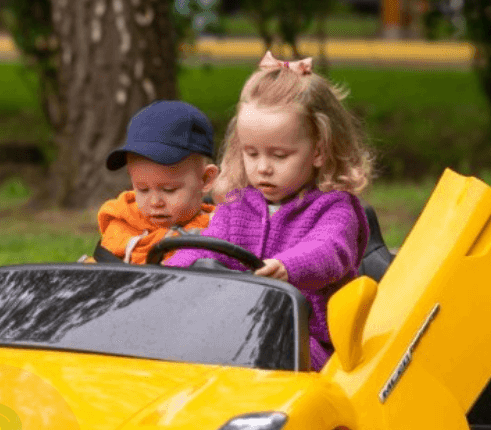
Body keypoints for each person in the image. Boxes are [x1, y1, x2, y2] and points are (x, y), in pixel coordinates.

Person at [166, 53, 373, 370]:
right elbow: (206, 247)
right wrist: (167, 275)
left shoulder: (334, 207)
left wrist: (288, 266)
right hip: (239, 328)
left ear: (318, 150)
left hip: (307, 343)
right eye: (251, 153)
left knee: (252, 346)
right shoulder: (235, 206)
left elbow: (330, 251)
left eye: (279, 155)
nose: (263, 168)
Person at [97, 100, 220, 264]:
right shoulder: (122, 218)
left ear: (205, 180)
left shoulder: (218, 229)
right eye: (142, 189)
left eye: (169, 189)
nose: (155, 202)